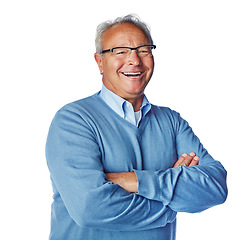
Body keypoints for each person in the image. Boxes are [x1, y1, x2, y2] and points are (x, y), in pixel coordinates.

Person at [46, 14, 227, 240]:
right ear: (99, 61)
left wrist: (131, 180)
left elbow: (215, 187)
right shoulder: (73, 120)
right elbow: (90, 208)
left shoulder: (172, 121)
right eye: (120, 51)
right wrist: (172, 202)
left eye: (143, 50)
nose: (134, 60)